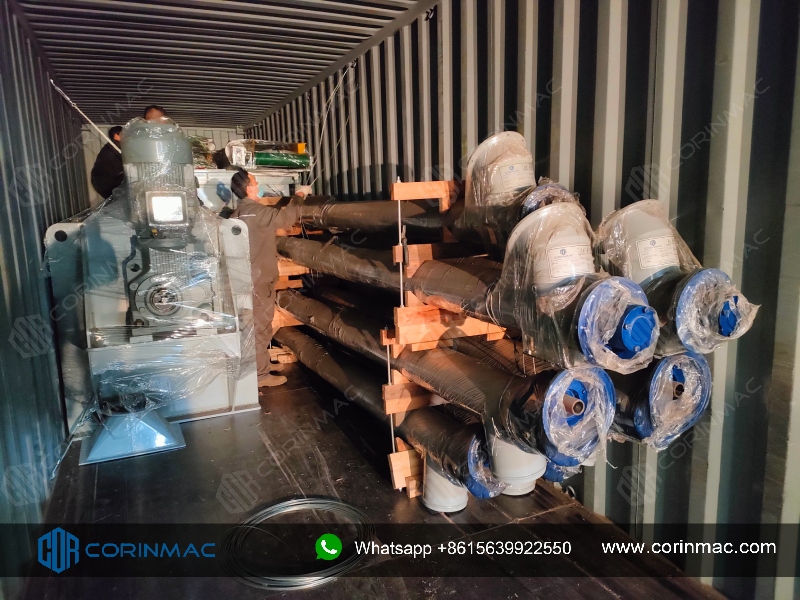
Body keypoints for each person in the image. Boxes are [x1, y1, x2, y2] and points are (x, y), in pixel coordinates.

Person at [230, 168, 309, 388]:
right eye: (255, 182)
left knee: (254, 326)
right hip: (258, 282)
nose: (258, 185)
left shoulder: (236, 214)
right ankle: (260, 375)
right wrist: (300, 196)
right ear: (248, 188)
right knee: (259, 328)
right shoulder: (256, 212)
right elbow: (285, 219)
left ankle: (261, 363)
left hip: (246, 280)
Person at [90, 126, 124, 200]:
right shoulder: (116, 147)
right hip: (107, 183)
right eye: (124, 134)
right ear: (116, 136)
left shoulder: (110, 147)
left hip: (102, 183)